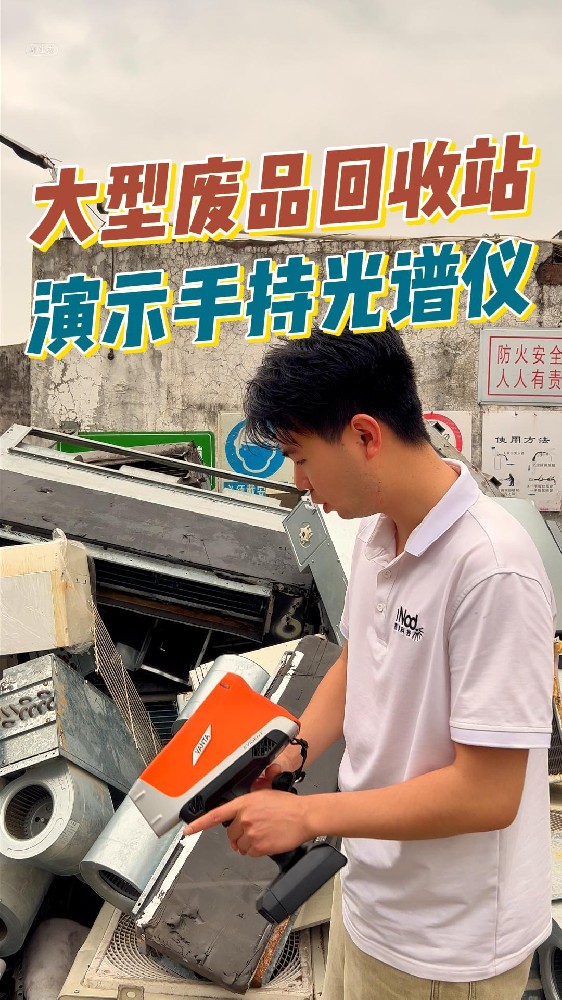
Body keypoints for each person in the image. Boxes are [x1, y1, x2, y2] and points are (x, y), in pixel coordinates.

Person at [183, 326, 556, 1000]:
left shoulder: (492, 568)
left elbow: (489, 794)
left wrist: (310, 817)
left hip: (447, 948)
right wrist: (291, 751)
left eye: (301, 458)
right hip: (369, 901)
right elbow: (360, 664)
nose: (298, 484)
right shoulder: (378, 533)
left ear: (364, 435)